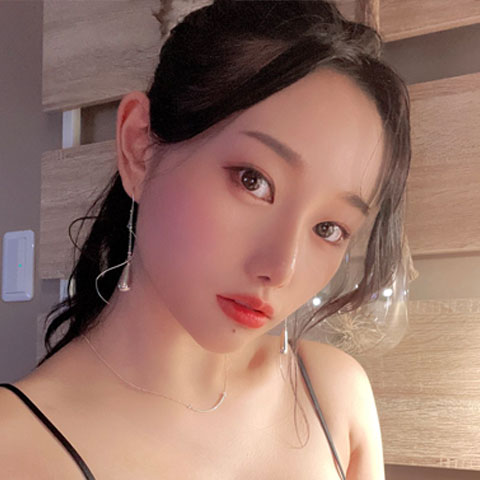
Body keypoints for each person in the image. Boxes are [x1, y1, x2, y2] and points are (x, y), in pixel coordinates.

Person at [0, 1, 411, 478]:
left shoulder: (334, 396)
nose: (281, 267)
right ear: (139, 146)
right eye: (253, 181)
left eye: (329, 229)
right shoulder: (14, 445)